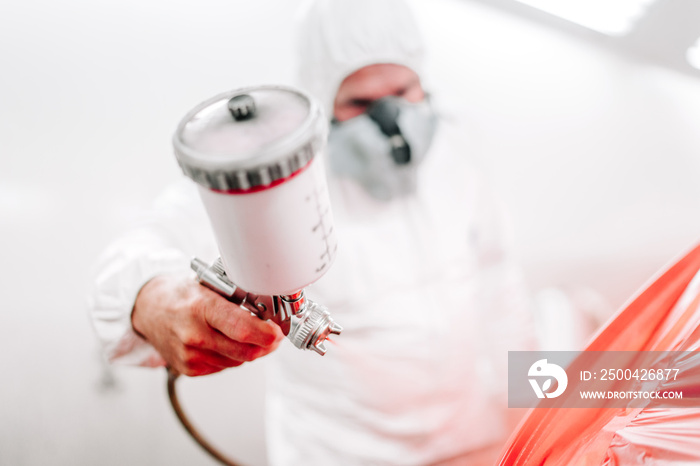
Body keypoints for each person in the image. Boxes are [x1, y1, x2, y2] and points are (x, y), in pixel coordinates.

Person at [89, 0, 536, 464]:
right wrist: (152, 301)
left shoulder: (457, 147)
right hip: (343, 453)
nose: (392, 123)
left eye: (405, 91)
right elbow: (132, 253)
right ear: (322, 104)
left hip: (473, 440)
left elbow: (500, 285)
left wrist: (538, 410)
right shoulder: (274, 177)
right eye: (360, 103)